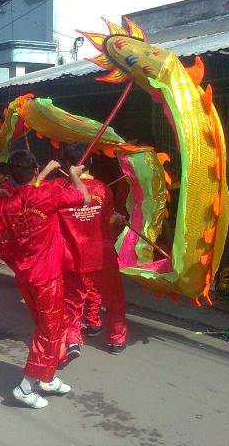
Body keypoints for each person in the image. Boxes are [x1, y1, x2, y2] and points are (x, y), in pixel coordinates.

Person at [0, 150, 90, 408]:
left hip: (25, 275)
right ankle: (26, 384)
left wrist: (14, 245)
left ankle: (48, 377)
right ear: (34, 171)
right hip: (47, 275)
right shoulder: (47, 193)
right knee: (49, 330)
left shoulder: (6, 206)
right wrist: (76, 176)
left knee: (52, 324)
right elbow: (83, 199)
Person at [57, 142, 128, 362]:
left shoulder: (61, 190)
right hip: (102, 251)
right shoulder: (103, 189)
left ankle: (73, 339)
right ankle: (117, 338)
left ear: (68, 165)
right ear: (91, 162)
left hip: (74, 253)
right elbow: (109, 220)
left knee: (73, 300)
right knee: (113, 297)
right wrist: (117, 221)